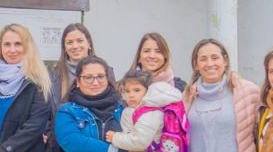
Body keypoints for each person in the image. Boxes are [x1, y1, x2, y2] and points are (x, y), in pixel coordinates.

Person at [0, 23, 52, 152]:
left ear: (27, 47)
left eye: (18, 44)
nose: (12, 50)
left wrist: (4, 150)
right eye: (7, 44)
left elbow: (34, 128)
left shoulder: (38, 84)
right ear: (0, 47)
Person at [183, 38, 260, 152]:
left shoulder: (248, 92)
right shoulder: (186, 97)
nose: (210, 64)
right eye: (203, 59)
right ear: (196, 65)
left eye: (215, 58)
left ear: (225, 61)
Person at [47, 23, 115, 151]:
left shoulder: (107, 71)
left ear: (89, 43)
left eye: (79, 41)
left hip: (100, 138)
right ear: (64, 47)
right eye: (70, 42)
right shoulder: (54, 76)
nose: (75, 46)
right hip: (63, 142)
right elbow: (46, 111)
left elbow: (113, 102)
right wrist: (51, 135)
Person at [53, 56, 123, 152]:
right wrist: (111, 150)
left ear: (107, 78)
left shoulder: (122, 108)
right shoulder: (67, 111)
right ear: (78, 81)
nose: (95, 82)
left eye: (100, 76)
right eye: (88, 77)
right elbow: (70, 140)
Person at [107, 69, 185, 152]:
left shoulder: (151, 113)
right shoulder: (133, 110)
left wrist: (115, 138)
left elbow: (141, 142)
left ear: (148, 91)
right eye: (127, 91)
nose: (131, 95)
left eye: (137, 90)